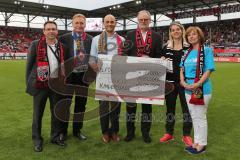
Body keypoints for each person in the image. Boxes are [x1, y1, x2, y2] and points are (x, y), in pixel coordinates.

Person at [26, 21, 66, 152]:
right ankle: (37, 139)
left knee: (56, 113)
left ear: (57, 31)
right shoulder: (35, 45)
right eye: (48, 29)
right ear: (44, 31)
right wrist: (29, 83)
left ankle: (55, 137)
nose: (51, 31)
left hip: (56, 85)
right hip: (40, 85)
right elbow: (29, 65)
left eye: (53, 29)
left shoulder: (61, 46)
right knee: (38, 114)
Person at [124, 10, 162, 143]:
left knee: (147, 107)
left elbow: (158, 55)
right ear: (138, 20)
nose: (143, 21)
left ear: (150, 20)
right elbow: (125, 54)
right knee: (131, 107)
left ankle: (146, 132)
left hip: (149, 76)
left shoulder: (157, 36)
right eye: (141, 19)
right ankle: (130, 132)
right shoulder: (129, 35)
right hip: (133, 76)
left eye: (146, 19)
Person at [90, 14, 125, 143]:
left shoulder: (121, 39)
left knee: (116, 108)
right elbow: (92, 59)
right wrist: (96, 67)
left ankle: (114, 131)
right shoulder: (96, 39)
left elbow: (125, 60)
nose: (110, 24)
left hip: (117, 79)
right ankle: (105, 132)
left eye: (112, 22)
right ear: (103, 23)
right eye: (107, 22)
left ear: (115, 23)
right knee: (104, 108)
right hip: (102, 78)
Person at [180, 26, 215, 154]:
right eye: (189, 35)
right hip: (188, 89)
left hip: (201, 88)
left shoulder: (206, 51)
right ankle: (196, 142)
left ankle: (202, 145)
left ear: (199, 36)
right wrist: (183, 81)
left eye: (194, 34)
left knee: (200, 117)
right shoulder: (186, 53)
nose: (191, 37)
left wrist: (198, 83)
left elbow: (209, 69)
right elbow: (181, 69)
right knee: (194, 117)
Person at [59, 14, 92, 141]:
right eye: (77, 23)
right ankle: (62, 132)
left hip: (83, 76)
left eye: (81, 23)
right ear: (72, 24)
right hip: (68, 76)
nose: (79, 25)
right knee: (65, 104)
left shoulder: (90, 39)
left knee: (81, 105)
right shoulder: (63, 38)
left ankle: (77, 130)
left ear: (85, 24)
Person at [159, 21, 193, 146]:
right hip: (170, 83)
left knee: (187, 110)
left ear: (182, 30)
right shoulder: (165, 47)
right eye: (173, 30)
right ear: (170, 33)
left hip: (185, 83)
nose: (175, 32)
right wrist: (161, 61)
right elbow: (160, 65)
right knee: (170, 109)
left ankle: (186, 135)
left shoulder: (188, 47)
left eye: (178, 29)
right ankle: (169, 133)